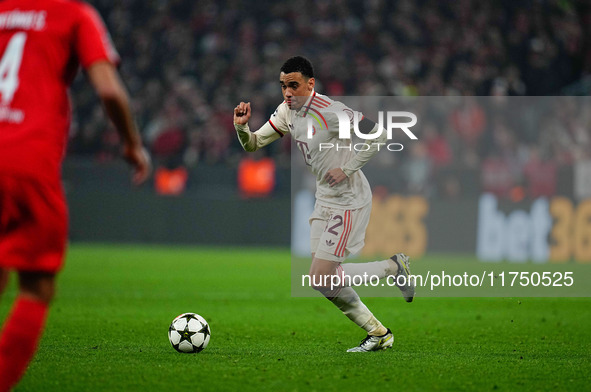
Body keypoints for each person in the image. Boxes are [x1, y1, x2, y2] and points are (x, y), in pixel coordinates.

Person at [0, 1, 151, 390]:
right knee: (36, 286)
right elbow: (109, 91)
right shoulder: (74, 14)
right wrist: (132, 144)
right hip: (25, 159)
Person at [233, 56, 414, 352]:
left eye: (294, 85)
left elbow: (380, 134)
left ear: (310, 84)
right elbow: (253, 144)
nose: (287, 93)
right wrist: (242, 128)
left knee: (320, 274)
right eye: (283, 86)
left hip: (349, 199)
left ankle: (391, 272)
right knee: (322, 281)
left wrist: (348, 167)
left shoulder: (330, 111)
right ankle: (379, 330)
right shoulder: (286, 112)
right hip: (324, 199)